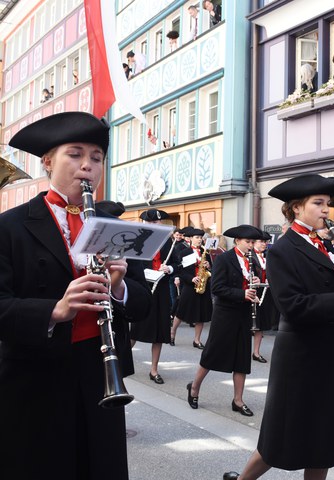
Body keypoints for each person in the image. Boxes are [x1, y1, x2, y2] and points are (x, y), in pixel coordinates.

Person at [0, 112, 152, 479]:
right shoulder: (10, 225)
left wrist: (118, 286)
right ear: (48, 161)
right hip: (35, 380)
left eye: (96, 158)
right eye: (75, 154)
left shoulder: (110, 227)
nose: (87, 166)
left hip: (97, 376)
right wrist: (56, 309)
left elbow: (143, 303)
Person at [222, 174, 334, 480]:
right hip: (299, 354)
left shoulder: (324, 245)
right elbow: (292, 305)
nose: (326, 210)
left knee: (322, 438)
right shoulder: (283, 249)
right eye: (318, 203)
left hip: (324, 348)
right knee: (279, 436)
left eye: (328, 204)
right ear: (296, 208)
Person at [186, 225, 263, 416]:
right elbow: (218, 288)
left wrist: (254, 283)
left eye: (253, 242)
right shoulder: (224, 259)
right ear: (237, 241)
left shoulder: (252, 259)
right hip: (225, 313)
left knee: (242, 356)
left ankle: (238, 400)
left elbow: (257, 281)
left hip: (243, 313)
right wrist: (242, 293)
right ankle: (194, 387)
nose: (251, 246)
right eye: (248, 242)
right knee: (213, 352)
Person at [130, 208, 176, 385]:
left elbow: (176, 263)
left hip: (162, 289)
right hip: (144, 287)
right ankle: (121, 361)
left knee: (159, 332)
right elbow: (130, 264)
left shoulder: (167, 241)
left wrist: (170, 269)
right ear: (145, 223)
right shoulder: (137, 240)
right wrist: (144, 272)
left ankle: (154, 369)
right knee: (136, 329)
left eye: (157, 223)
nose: (155, 226)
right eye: (151, 223)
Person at [170, 228, 213, 348]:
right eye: (197, 238)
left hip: (203, 285)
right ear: (191, 239)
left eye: (200, 238)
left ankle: (197, 340)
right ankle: (172, 333)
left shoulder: (206, 252)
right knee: (181, 310)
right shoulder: (185, 252)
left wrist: (208, 266)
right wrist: (191, 279)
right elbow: (181, 271)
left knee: (201, 313)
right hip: (190, 285)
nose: (199, 240)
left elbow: (211, 269)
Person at [251, 231, 277, 363]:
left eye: (266, 242)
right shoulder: (250, 256)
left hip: (265, 293)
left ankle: (256, 352)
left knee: (260, 325)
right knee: (248, 324)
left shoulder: (267, 256)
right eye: (261, 241)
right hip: (253, 293)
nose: (264, 244)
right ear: (254, 242)